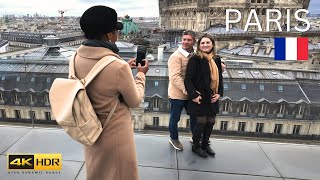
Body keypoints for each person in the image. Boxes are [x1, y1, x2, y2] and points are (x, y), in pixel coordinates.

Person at [75, 6, 148, 180]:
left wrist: (121, 67)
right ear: (109, 35)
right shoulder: (117, 66)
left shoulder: (76, 57)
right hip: (114, 133)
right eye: (116, 30)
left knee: (97, 173)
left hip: (90, 130)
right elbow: (135, 101)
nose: (118, 34)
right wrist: (140, 75)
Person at [184, 33, 223, 158]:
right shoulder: (195, 59)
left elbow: (220, 78)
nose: (205, 45)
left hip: (212, 96)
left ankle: (205, 144)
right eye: (203, 43)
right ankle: (196, 146)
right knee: (200, 123)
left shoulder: (216, 59)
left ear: (212, 44)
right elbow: (188, 79)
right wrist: (193, 95)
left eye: (208, 42)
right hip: (200, 97)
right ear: (199, 45)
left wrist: (219, 93)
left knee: (210, 122)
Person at [168, 30, 197, 151]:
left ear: (194, 41)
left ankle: (195, 138)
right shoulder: (176, 56)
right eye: (184, 39)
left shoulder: (196, 54)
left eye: (188, 40)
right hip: (178, 94)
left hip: (191, 94)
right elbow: (175, 77)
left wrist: (221, 63)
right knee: (175, 118)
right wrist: (189, 91)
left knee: (195, 117)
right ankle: (173, 138)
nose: (185, 42)